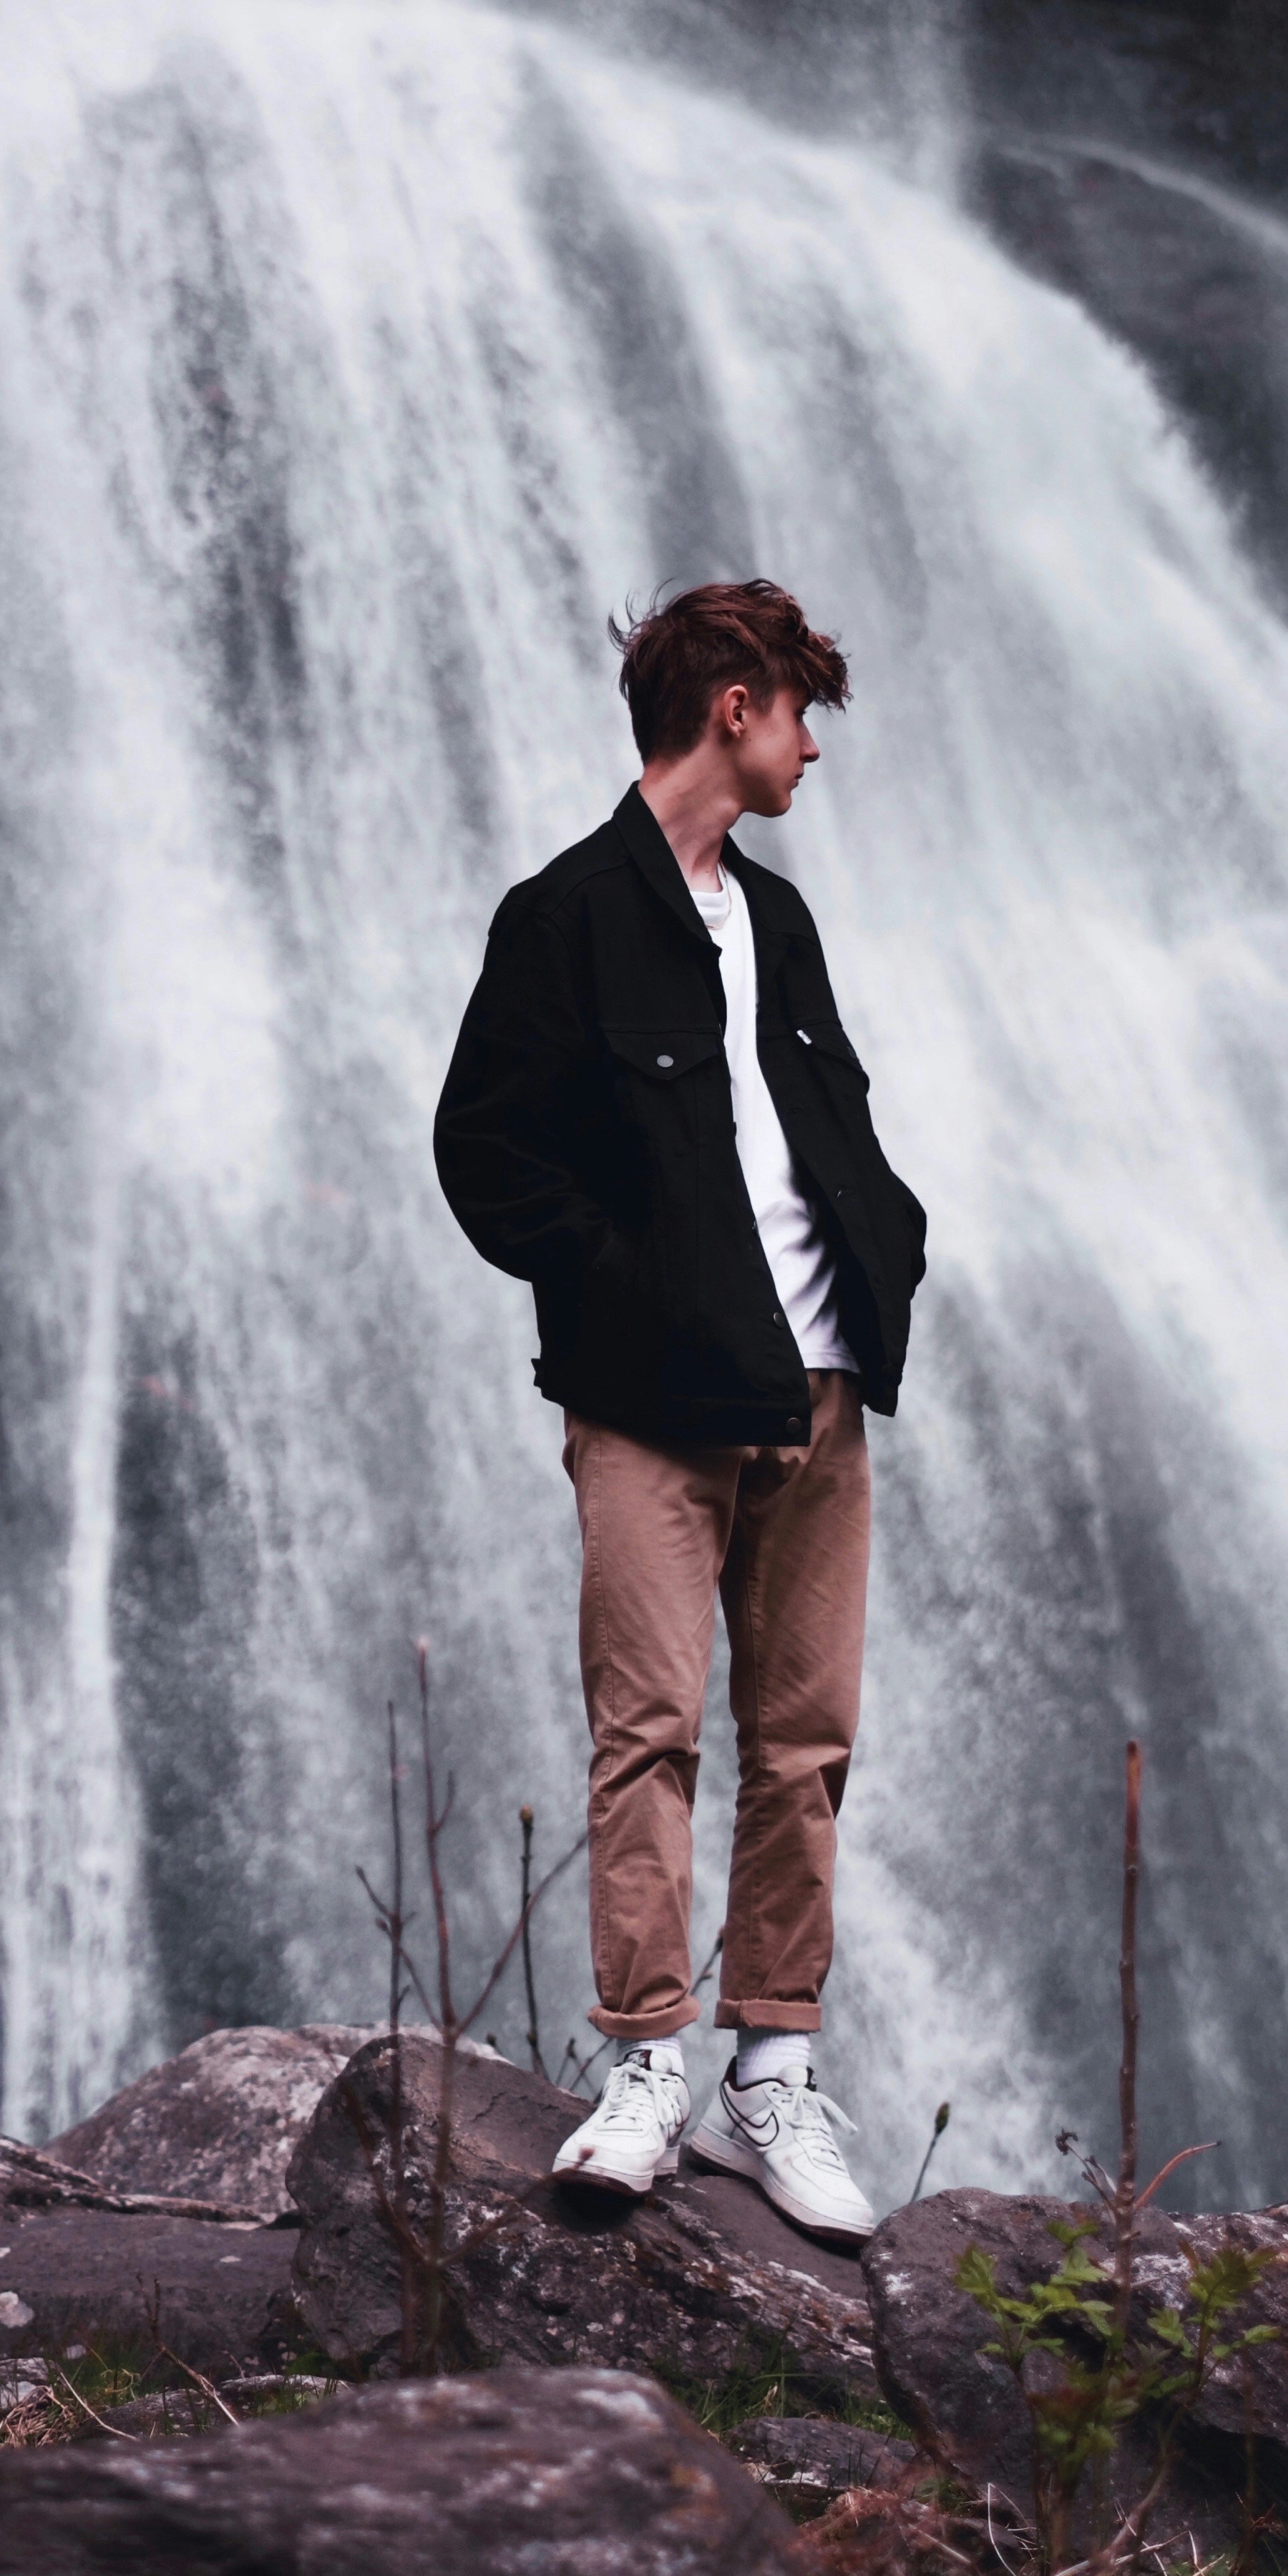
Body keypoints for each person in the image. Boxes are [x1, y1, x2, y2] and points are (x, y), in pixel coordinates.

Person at [432, 576, 927, 2243]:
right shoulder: (560, 915)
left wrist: (885, 1252)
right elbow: (483, 1154)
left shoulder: (775, 920)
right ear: (733, 708)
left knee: (804, 1746)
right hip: (649, 1399)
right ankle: (643, 2064)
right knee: (644, 1731)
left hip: (816, 1385)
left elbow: (830, 1120)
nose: (809, 750)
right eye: (799, 715)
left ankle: (765, 2075)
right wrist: (617, 1291)